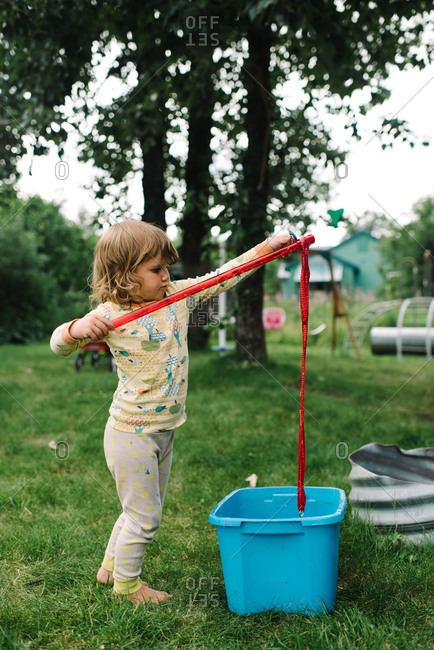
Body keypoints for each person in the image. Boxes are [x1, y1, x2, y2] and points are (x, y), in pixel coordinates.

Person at [50, 220, 294, 605]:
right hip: (131, 433)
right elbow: (58, 346)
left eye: (167, 268)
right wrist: (75, 328)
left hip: (164, 430)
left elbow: (223, 276)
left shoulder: (177, 296)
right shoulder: (109, 315)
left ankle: (110, 568)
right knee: (145, 517)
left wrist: (269, 247)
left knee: (138, 509)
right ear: (124, 275)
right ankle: (128, 586)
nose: (166, 276)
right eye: (156, 269)